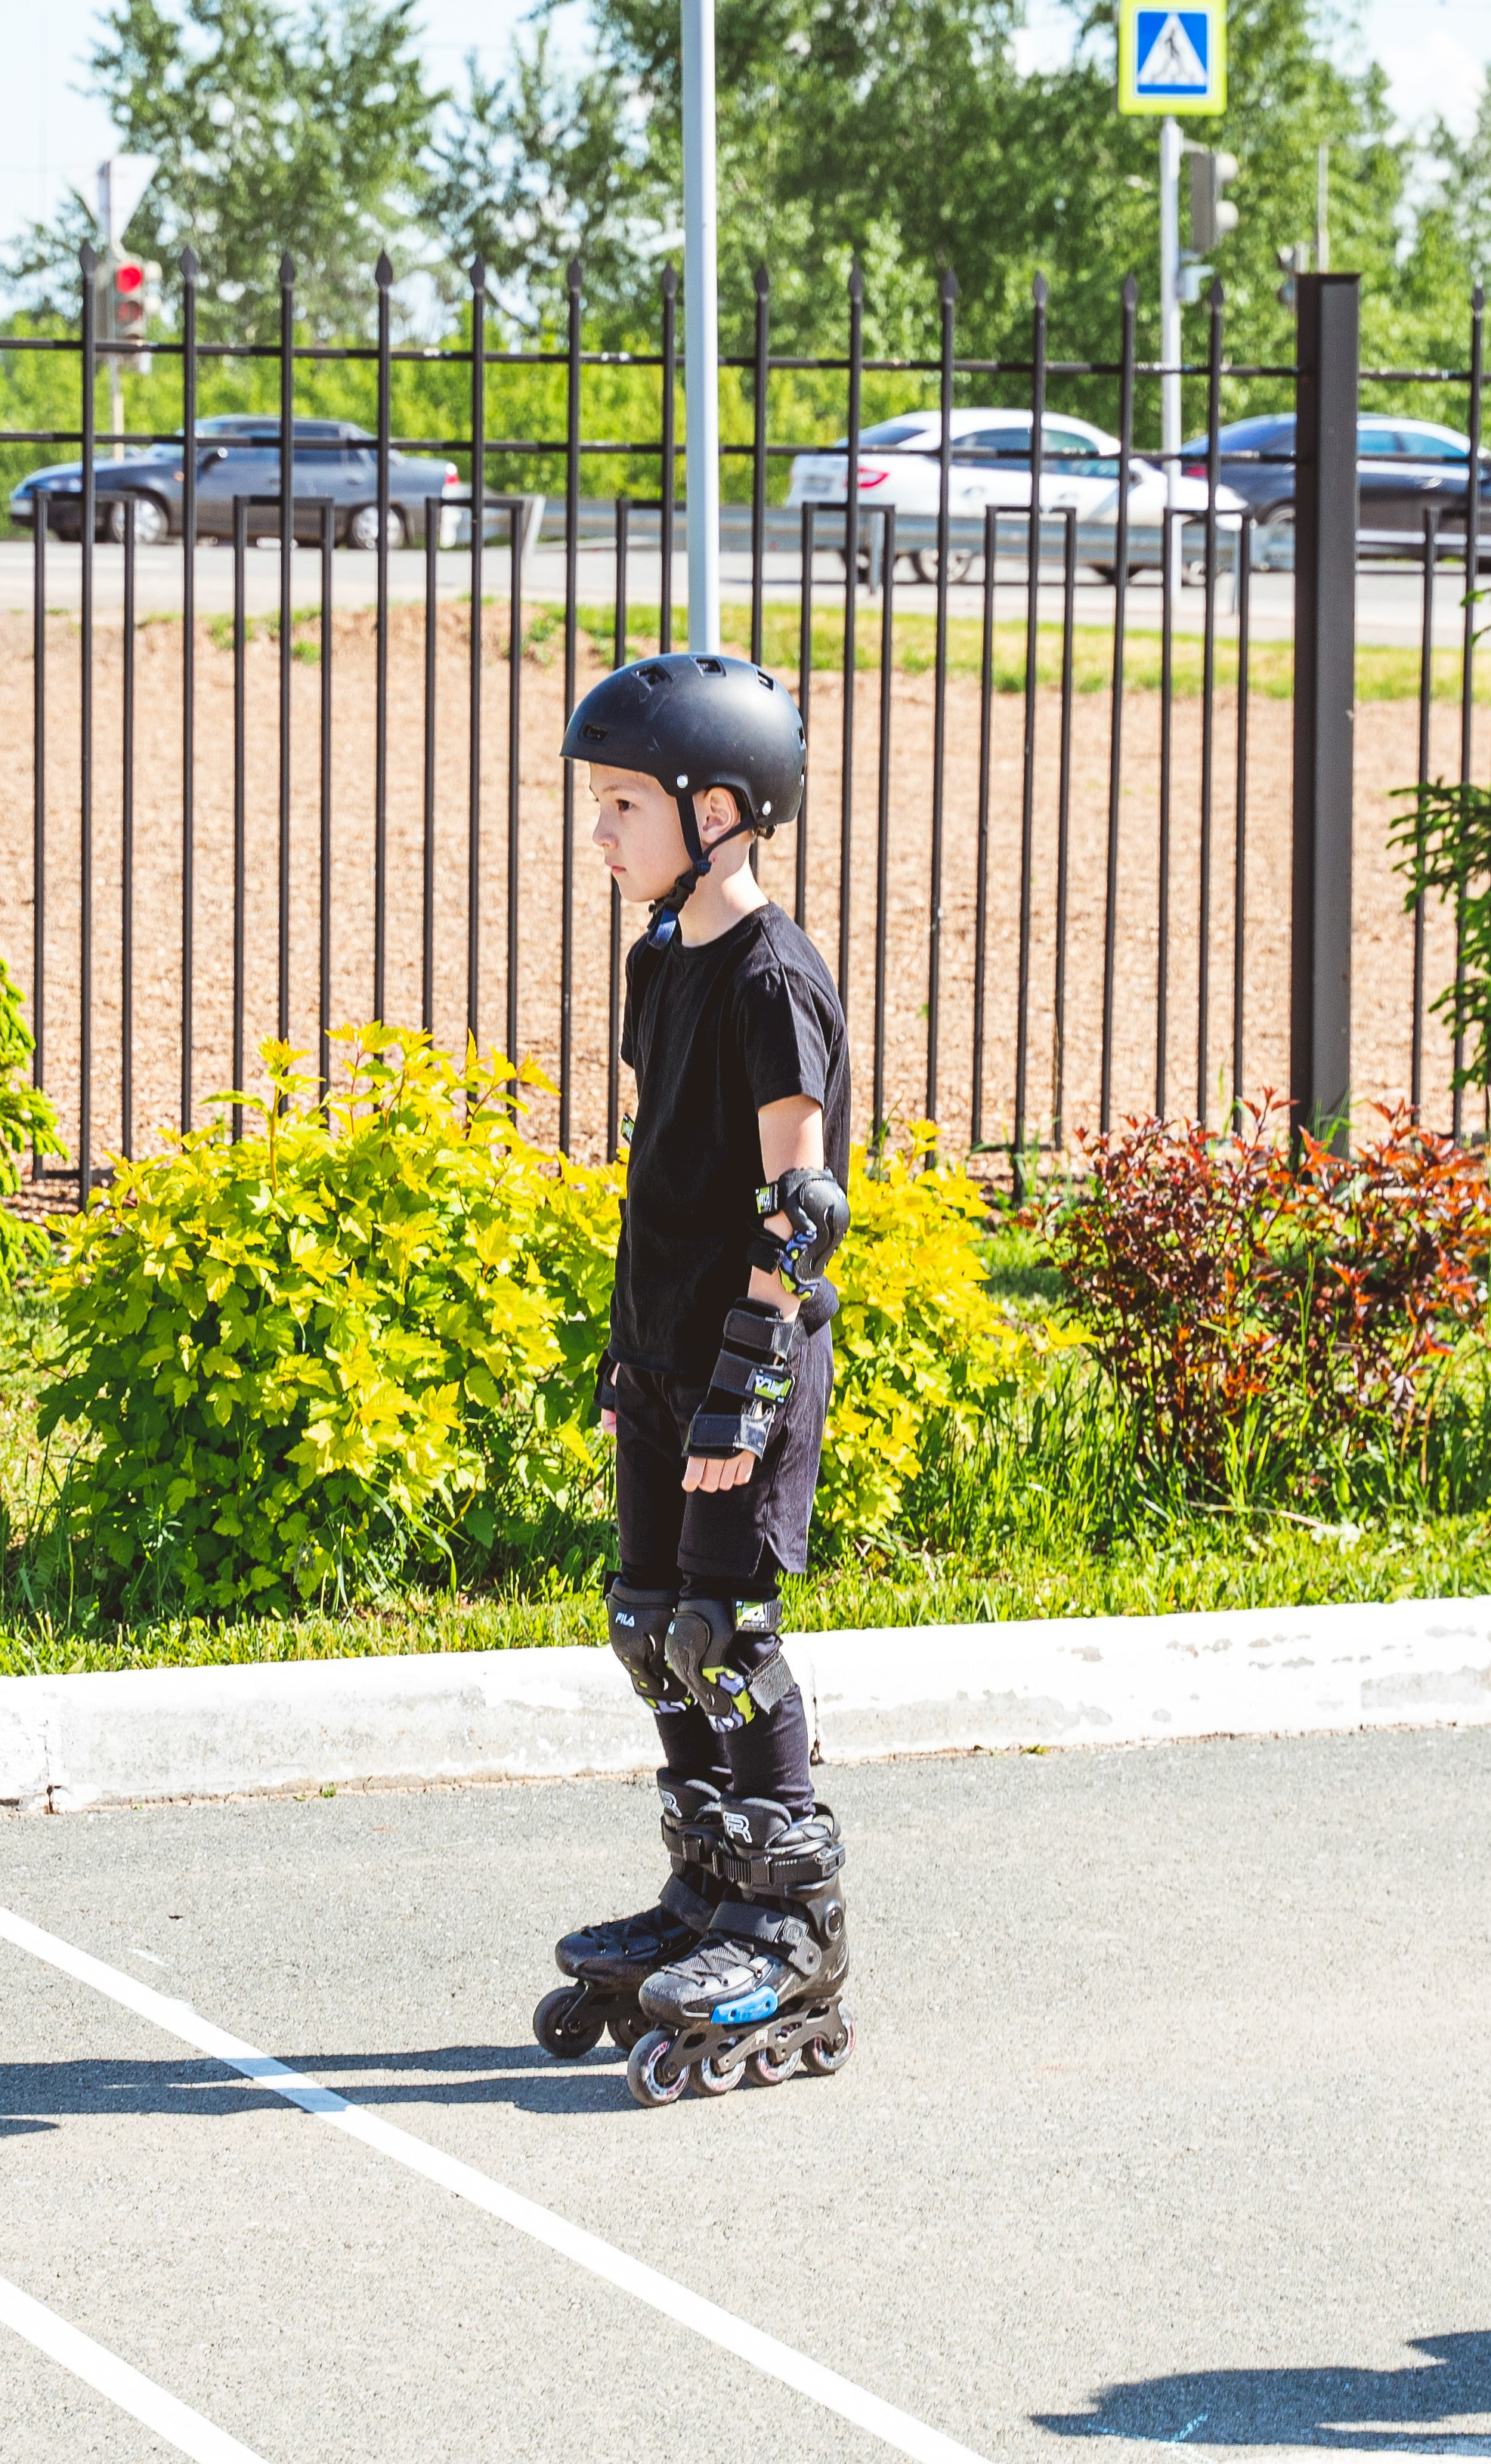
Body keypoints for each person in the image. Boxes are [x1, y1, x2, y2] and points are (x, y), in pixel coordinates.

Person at [531, 651, 855, 2108]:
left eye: (619, 805)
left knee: (725, 1629)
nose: (598, 832)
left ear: (717, 807)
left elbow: (801, 1204)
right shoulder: (659, 956)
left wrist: (741, 1377)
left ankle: (790, 1922)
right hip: (661, 1356)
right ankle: (705, 1888)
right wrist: (633, 1355)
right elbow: (660, 1180)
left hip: (743, 1362)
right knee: (649, 1624)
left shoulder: (775, 976)